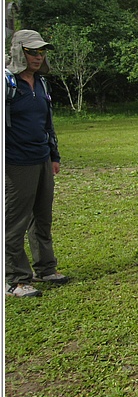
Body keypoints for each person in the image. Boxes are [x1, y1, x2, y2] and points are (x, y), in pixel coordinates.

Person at [5, 29, 69, 297]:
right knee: (14, 221)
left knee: (42, 217)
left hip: (41, 158)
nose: (37, 57)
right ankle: (15, 280)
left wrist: (53, 155)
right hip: (15, 162)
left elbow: (47, 123)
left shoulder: (41, 84)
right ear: (19, 51)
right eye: (32, 51)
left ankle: (45, 268)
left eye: (41, 52)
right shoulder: (7, 83)